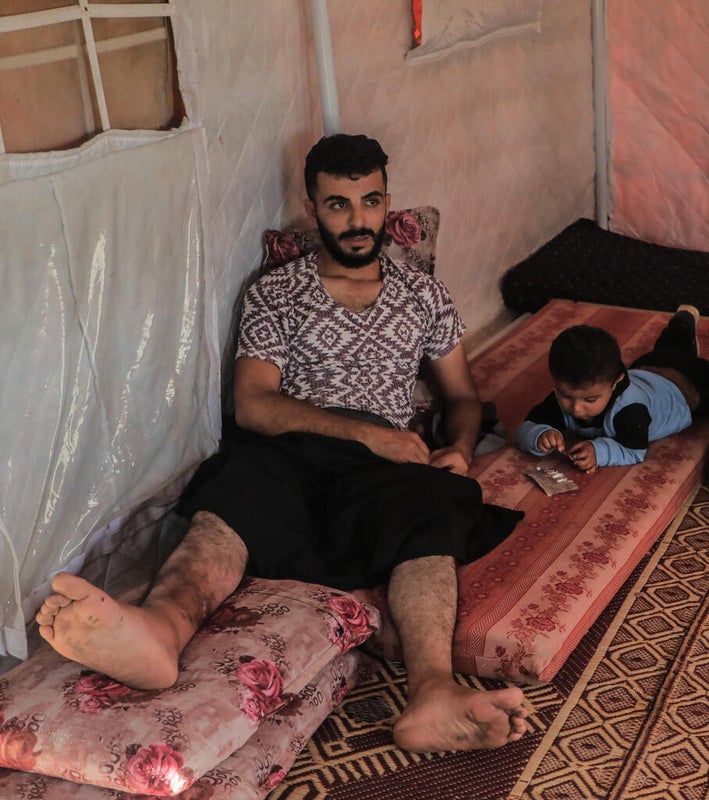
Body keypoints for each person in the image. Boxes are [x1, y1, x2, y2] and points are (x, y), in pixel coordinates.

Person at [35, 133, 529, 754]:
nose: (357, 221)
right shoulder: (277, 291)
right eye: (339, 204)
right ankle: (159, 631)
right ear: (312, 205)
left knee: (435, 511)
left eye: (370, 202)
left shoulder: (423, 295)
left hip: (388, 468)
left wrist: (458, 447)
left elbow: (463, 397)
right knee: (227, 508)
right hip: (292, 446)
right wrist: (368, 433)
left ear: (388, 203)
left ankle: (431, 691)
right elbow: (255, 405)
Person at [515, 306, 709, 472]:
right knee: (670, 347)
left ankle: (684, 325)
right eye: (566, 395)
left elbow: (634, 451)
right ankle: (683, 322)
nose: (576, 408)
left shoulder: (630, 411)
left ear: (616, 382)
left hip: (687, 389)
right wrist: (539, 435)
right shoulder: (562, 398)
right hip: (648, 366)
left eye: (590, 400)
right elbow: (526, 427)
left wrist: (598, 451)